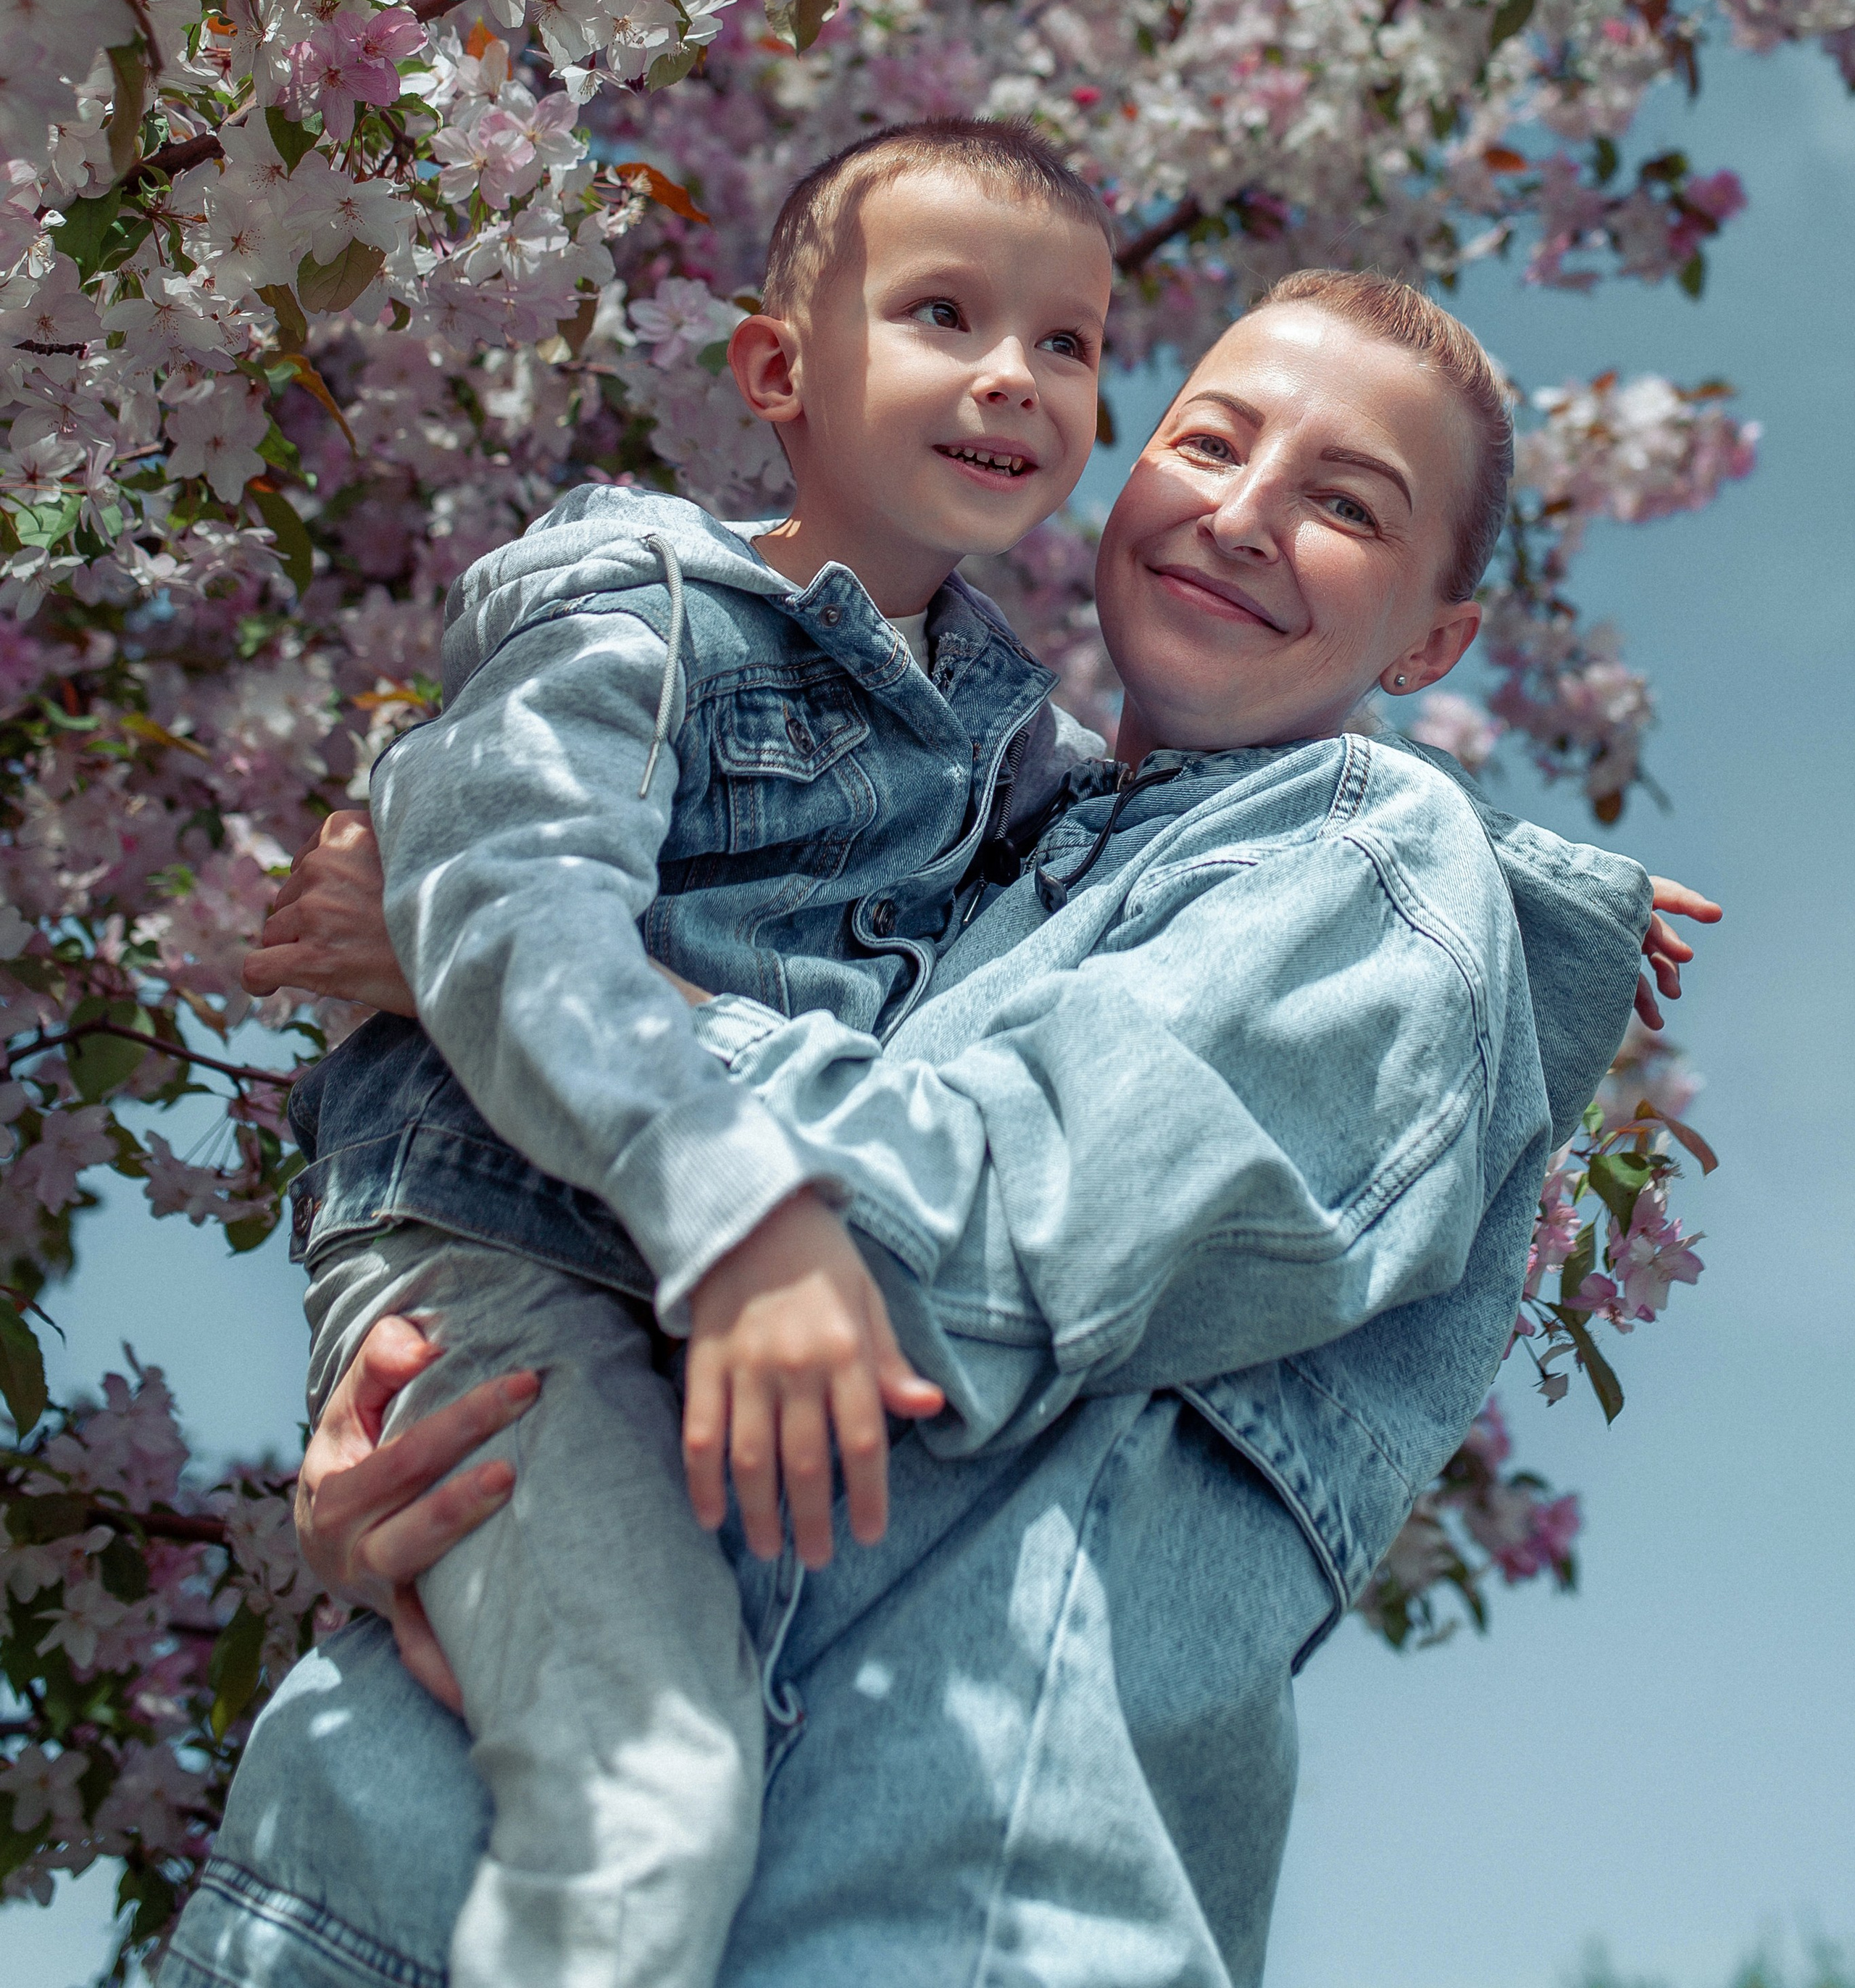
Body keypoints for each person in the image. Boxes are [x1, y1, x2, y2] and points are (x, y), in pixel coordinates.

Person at [165, 272, 1716, 1988]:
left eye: (1348, 505)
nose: (1245, 512)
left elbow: (969, 1247)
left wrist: (551, 996)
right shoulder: (923, 817)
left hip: (911, 1918)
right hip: (399, 1890)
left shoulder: (1368, 866)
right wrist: (426, 1431)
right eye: (1209, 438)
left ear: (1431, 642)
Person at [269, 115, 1123, 1988]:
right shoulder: (645, 607)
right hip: (508, 1266)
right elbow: (517, 911)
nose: (1015, 375)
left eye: (1070, 346)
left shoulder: (1011, 748)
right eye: (948, 315)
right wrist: (742, 1208)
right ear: (774, 372)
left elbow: (1210, 854)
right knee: (648, 1800)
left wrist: (1529, 884)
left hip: (712, 1348)